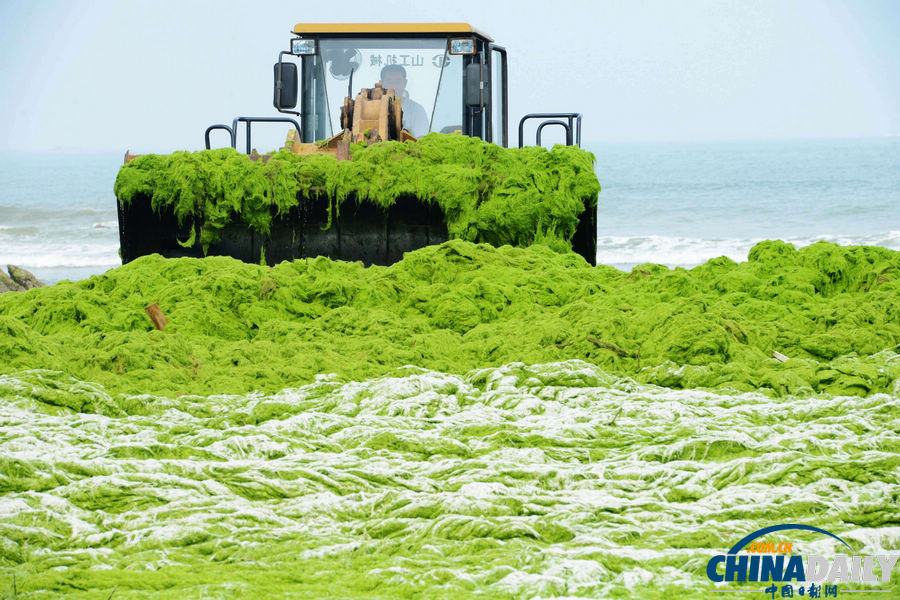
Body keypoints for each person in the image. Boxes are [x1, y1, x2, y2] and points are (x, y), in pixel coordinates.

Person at [380, 65, 429, 137]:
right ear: (381, 84)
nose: (393, 85)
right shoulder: (369, 109)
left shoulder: (417, 110)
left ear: (405, 83)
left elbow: (422, 138)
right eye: (389, 81)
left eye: (398, 81)